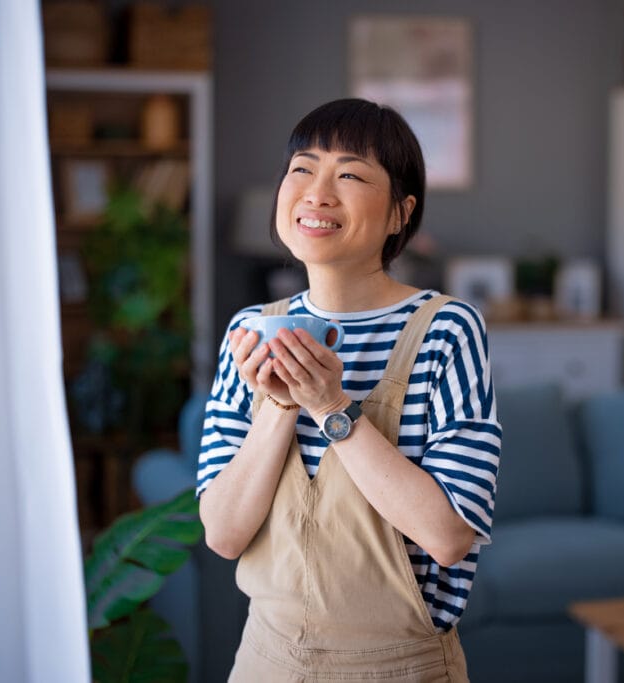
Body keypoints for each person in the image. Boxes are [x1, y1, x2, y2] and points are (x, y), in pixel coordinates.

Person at [197, 98, 500, 681]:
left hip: (401, 669)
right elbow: (224, 534)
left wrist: (332, 406)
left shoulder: (447, 329)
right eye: (302, 169)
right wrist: (279, 407)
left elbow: (448, 535)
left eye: (352, 174)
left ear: (399, 215)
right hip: (265, 661)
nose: (317, 192)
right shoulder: (248, 330)